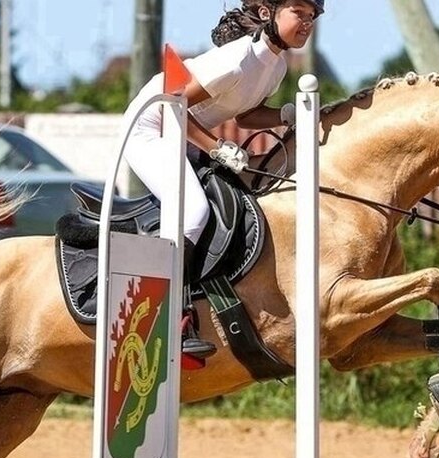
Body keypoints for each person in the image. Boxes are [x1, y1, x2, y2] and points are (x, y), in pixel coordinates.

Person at [123, 0, 325, 360]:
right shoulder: (236, 58)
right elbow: (173, 105)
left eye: (312, 16)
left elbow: (245, 116)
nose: (307, 22)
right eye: (299, 12)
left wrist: (283, 115)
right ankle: (168, 318)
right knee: (194, 213)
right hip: (149, 128)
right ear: (267, 13)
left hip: (180, 130)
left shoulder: (277, 66)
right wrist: (217, 147)